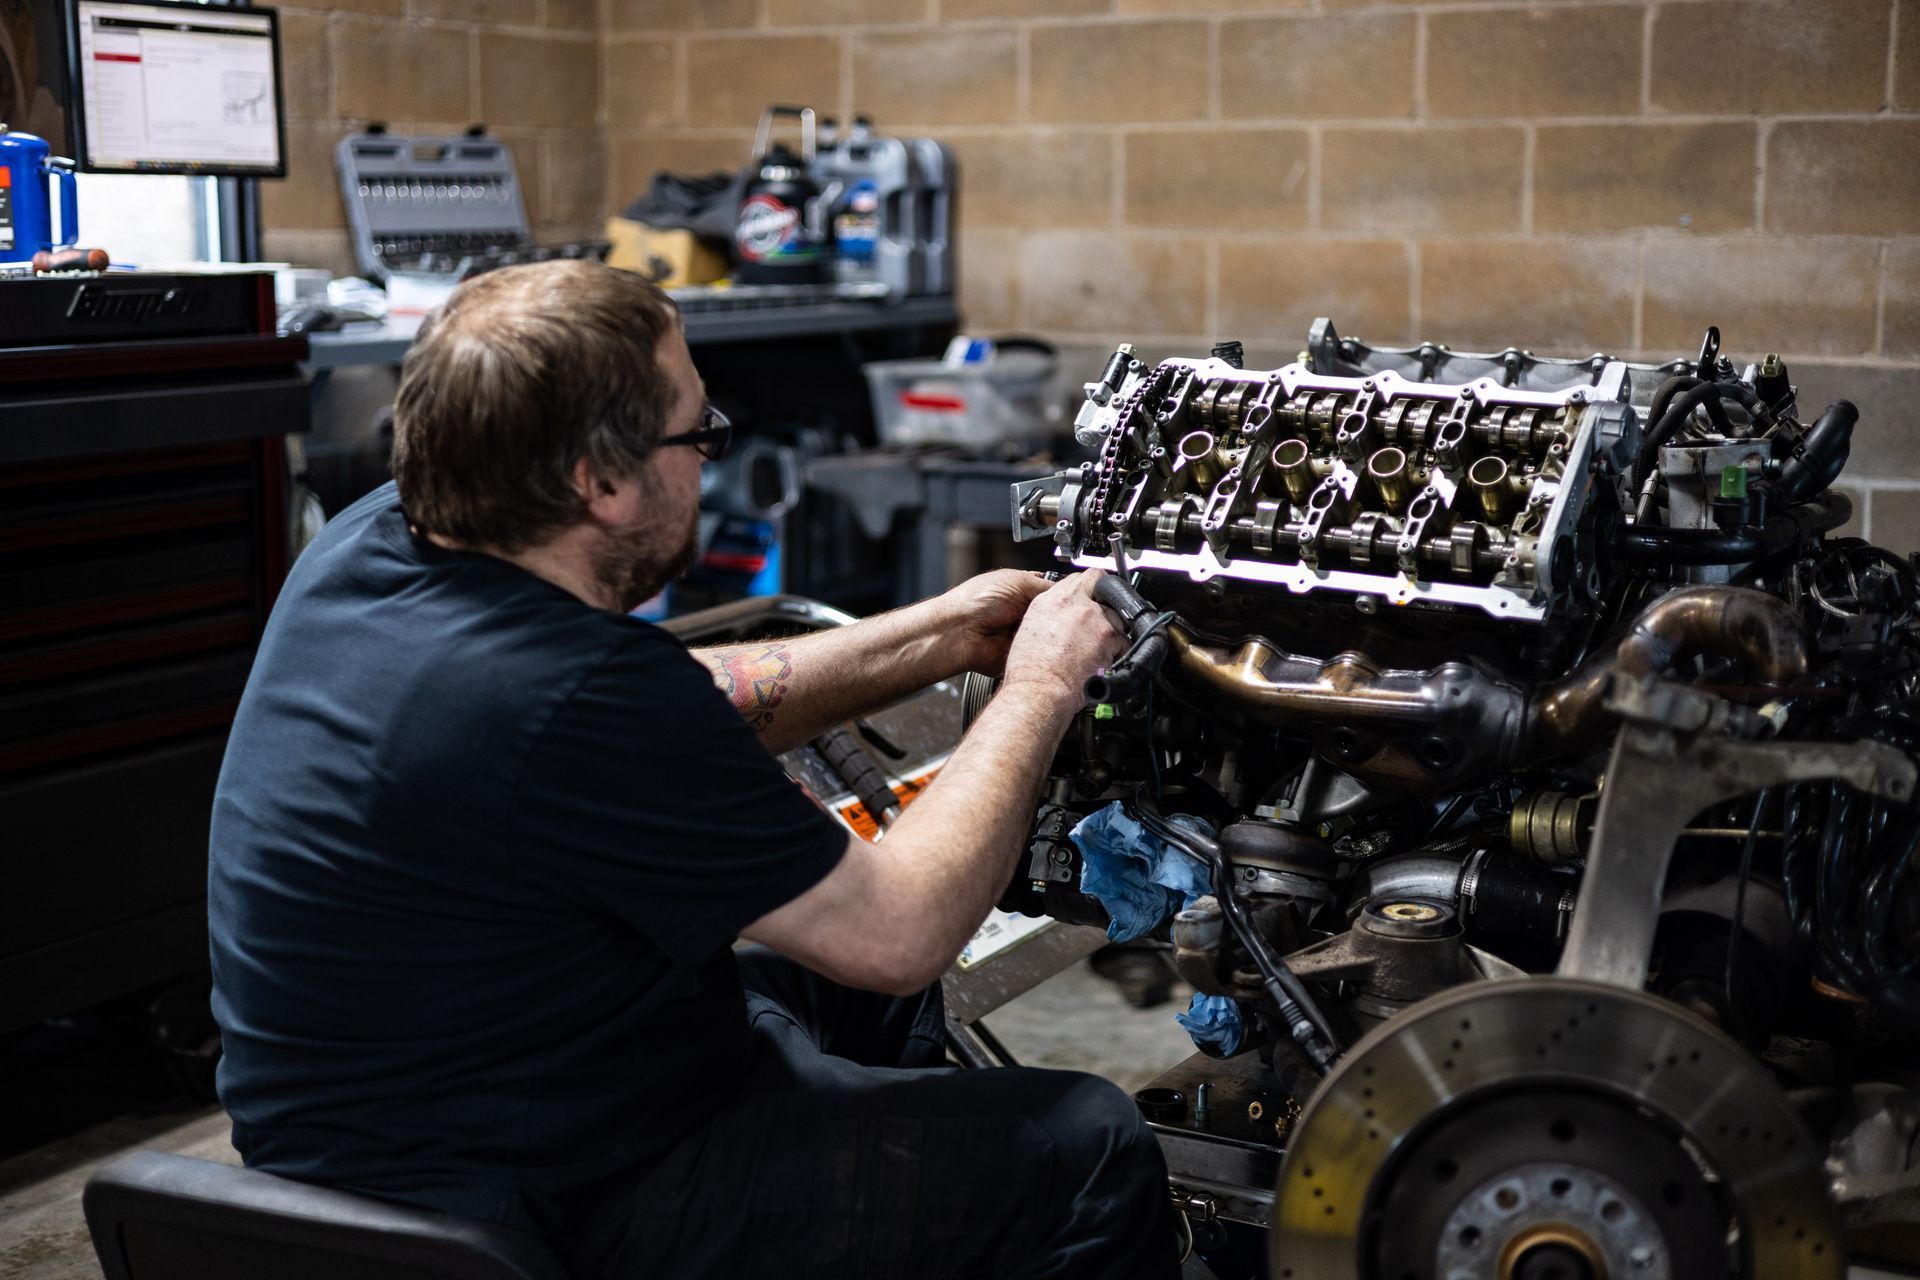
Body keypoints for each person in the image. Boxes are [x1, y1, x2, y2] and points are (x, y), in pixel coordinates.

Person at [207, 260, 1176, 1279]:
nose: (709, 462)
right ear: (599, 478)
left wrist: (943, 630)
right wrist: (1042, 684)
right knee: (1087, 1138)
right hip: (519, 1208)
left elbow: (667, 700)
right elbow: (900, 932)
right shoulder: (570, 693)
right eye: (698, 434)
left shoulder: (380, 545)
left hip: (400, 1118)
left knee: (844, 1002)